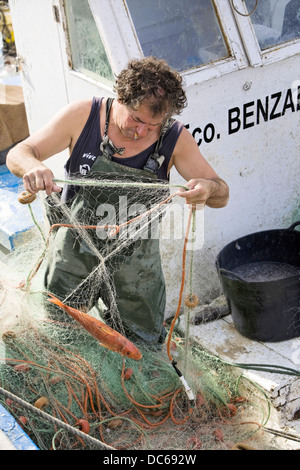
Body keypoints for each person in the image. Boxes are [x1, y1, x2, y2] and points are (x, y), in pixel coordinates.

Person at [6, 56, 229, 346]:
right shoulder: (83, 115)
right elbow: (19, 153)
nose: (141, 131)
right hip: (74, 248)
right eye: (136, 119)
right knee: (55, 327)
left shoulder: (176, 138)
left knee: (141, 344)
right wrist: (33, 167)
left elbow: (221, 193)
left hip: (137, 263)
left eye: (153, 125)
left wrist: (207, 188)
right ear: (120, 98)